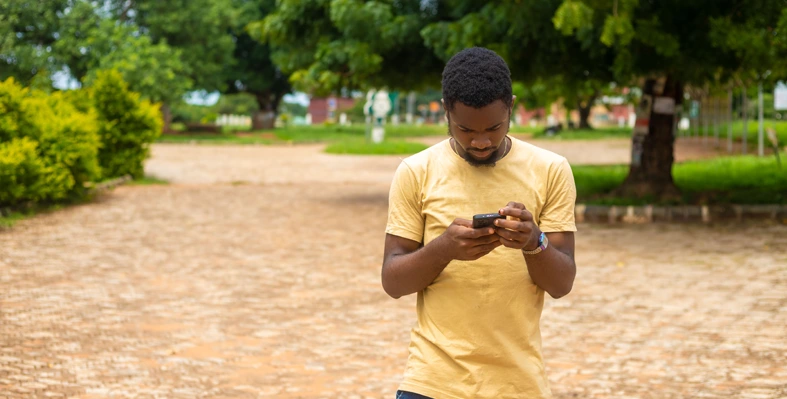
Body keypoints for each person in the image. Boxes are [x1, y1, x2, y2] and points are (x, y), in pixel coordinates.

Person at [382, 47, 578, 399]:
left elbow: (562, 282)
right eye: (465, 129)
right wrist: (444, 248)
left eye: (494, 127)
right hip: (431, 383)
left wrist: (535, 242)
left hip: (519, 386)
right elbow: (393, 281)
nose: (481, 141)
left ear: (511, 107)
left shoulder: (550, 169)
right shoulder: (416, 172)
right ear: (445, 109)